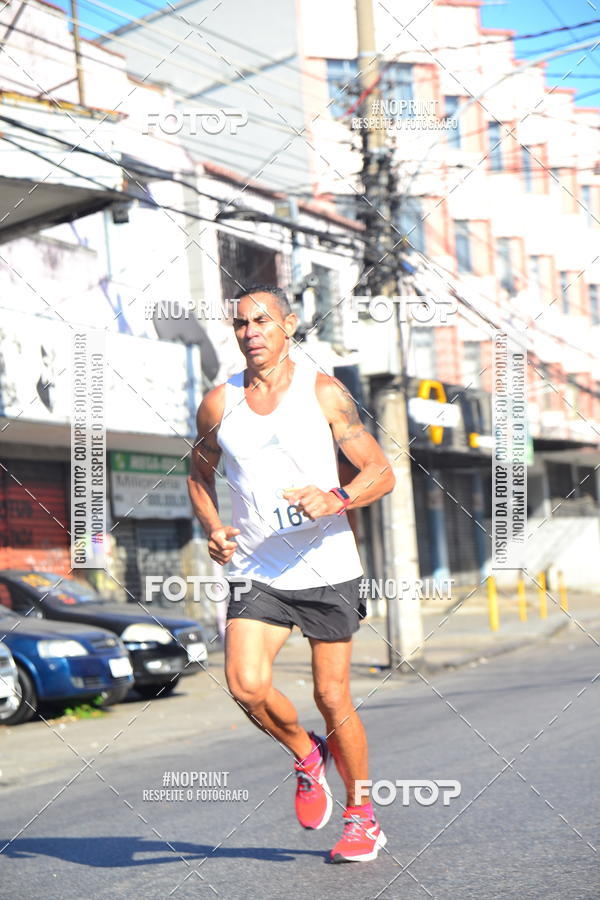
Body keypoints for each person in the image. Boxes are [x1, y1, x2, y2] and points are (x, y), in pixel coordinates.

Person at [188, 285, 395, 863]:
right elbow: (198, 475)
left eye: (262, 321)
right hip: (257, 567)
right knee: (245, 685)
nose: (250, 332)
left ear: (289, 325)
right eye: (241, 323)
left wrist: (337, 497)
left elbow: (380, 471)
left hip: (327, 565)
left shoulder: (323, 392)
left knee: (331, 695)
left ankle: (362, 817)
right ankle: (306, 753)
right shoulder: (218, 403)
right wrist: (213, 526)